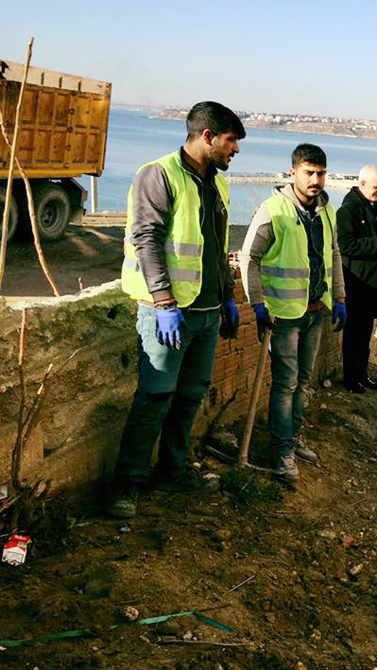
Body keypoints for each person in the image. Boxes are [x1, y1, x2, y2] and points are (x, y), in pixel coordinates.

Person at [106, 101, 245, 519]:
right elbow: (146, 239)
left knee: (189, 397)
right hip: (167, 312)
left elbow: (217, 248)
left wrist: (229, 296)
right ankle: (126, 486)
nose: (235, 150)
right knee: (154, 397)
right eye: (230, 140)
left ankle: (172, 471)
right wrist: (164, 303)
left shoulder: (217, 184)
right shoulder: (158, 175)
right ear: (207, 137)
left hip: (205, 312)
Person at [239, 143, 346, 482]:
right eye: (309, 173)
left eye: (321, 173)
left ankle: (294, 437)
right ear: (293, 173)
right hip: (283, 316)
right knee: (285, 384)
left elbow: (334, 254)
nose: (316, 180)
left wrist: (340, 296)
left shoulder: (327, 211)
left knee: (303, 380)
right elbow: (249, 258)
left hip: (315, 310)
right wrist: (257, 304)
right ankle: (281, 450)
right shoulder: (275, 211)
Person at [336, 165, 377, 393]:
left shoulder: (374, 207)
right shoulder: (347, 210)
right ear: (362, 184)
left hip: (372, 283)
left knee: (365, 334)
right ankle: (351, 378)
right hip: (356, 283)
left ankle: (362, 375)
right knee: (354, 334)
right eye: (376, 188)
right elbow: (345, 245)